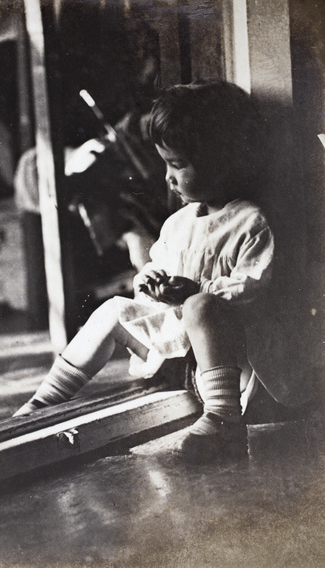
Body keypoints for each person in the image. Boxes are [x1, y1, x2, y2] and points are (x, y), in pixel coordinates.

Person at [14, 80, 274, 464]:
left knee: (202, 307)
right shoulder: (179, 222)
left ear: (222, 160)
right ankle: (43, 403)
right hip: (177, 360)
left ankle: (224, 420)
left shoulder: (250, 222)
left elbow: (253, 288)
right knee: (111, 310)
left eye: (177, 165)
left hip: (228, 367)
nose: (167, 177)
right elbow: (156, 262)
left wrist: (195, 292)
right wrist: (150, 282)